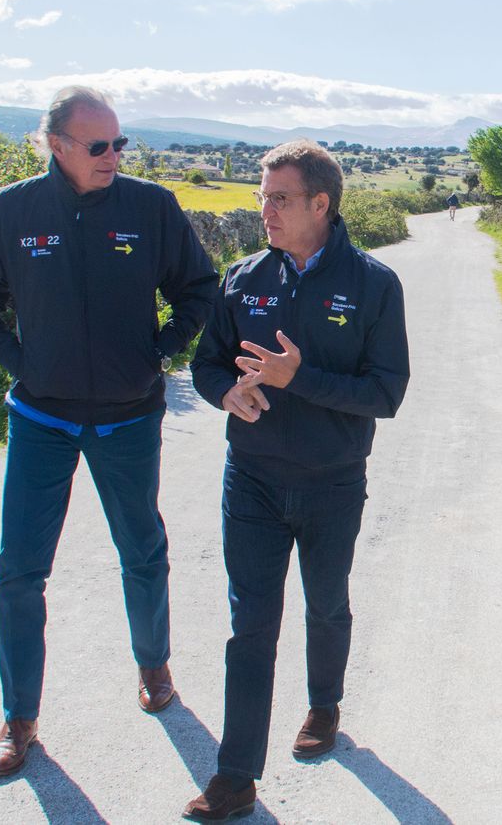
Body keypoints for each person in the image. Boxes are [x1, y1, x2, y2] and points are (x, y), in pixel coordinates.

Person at [0, 86, 218, 778]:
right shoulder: (10, 211)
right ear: (55, 145)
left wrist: (160, 351)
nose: (113, 157)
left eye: (119, 143)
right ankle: (19, 719)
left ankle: (154, 667)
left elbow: (199, 288)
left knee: (143, 550)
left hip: (129, 415)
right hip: (42, 419)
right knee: (18, 572)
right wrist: (24, 363)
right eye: (98, 146)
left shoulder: (150, 207)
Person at [184, 140, 410, 820]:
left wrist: (298, 378)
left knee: (326, 604)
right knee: (250, 624)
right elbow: (206, 364)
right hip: (251, 479)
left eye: (279, 199)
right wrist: (227, 392)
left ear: (320, 203)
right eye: (263, 197)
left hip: (332, 483)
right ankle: (235, 776)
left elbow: (386, 394)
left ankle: (324, 706)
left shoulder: (373, 285)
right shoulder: (244, 277)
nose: (266, 211)